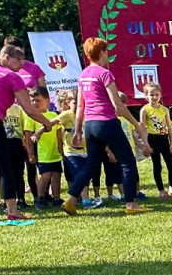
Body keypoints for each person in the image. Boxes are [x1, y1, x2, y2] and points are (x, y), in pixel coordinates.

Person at [63, 38, 151, 216]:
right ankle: (131, 204)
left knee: (91, 165)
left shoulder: (84, 75)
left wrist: (78, 130)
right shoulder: (105, 74)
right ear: (102, 53)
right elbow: (118, 105)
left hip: (90, 125)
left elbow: (81, 106)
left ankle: (71, 200)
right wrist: (137, 124)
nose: (108, 54)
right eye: (106, 51)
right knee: (127, 161)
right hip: (107, 122)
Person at [0, 44, 53, 220]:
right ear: (6, 58)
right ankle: (12, 211)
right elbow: (29, 109)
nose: (21, 64)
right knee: (5, 167)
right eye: (17, 59)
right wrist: (46, 123)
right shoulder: (13, 77)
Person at [55, 88, 99, 207]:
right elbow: (53, 122)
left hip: (85, 151)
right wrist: (39, 131)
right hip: (71, 152)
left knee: (85, 175)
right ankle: (86, 200)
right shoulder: (66, 115)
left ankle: (78, 197)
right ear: (67, 103)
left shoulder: (87, 115)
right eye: (74, 102)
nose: (78, 105)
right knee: (80, 174)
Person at [139, 83, 172, 198]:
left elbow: (170, 127)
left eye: (156, 94)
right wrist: (145, 144)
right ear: (146, 96)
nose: (154, 97)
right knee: (157, 165)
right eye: (151, 95)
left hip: (164, 139)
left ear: (160, 95)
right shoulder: (145, 110)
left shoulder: (164, 110)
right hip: (153, 139)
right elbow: (142, 128)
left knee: (171, 164)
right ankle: (161, 190)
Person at [25, 86, 63, 207]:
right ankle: (40, 197)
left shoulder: (53, 115)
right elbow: (28, 138)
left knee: (57, 175)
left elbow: (58, 136)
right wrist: (30, 154)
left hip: (54, 153)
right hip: (42, 154)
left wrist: (61, 151)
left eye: (38, 100)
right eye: (32, 101)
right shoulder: (30, 117)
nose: (35, 103)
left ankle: (56, 198)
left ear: (47, 100)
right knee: (46, 175)